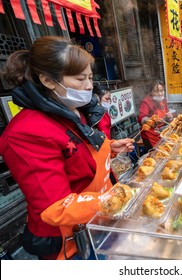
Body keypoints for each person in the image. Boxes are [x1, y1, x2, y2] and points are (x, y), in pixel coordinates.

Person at [0, 36, 135, 260]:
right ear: (48, 80)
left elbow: (79, 153)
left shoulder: (73, 109)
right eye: (81, 78)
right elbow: (56, 207)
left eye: (90, 77)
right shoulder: (24, 133)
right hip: (73, 239)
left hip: (100, 218)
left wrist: (110, 147)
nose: (90, 86)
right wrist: (116, 199)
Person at [138, 80, 173, 150]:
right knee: (155, 155)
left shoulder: (163, 100)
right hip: (150, 135)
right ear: (151, 92)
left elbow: (167, 114)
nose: (160, 94)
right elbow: (141, 118)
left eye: (162, 91)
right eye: (156, 91)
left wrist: (169, 117)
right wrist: (151, 120)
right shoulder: (146, 102)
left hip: (162, 132)